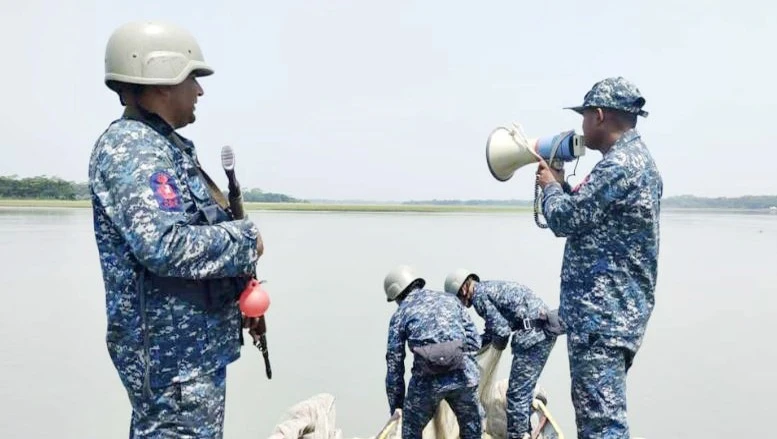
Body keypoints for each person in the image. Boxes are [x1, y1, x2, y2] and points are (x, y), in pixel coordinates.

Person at [88, 21, 265, 438]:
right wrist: (245, 240)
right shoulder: (133, 149)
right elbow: (163, 244)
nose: (199, 91)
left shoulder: (163, 146)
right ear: (163, 80)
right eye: (192, 79)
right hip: (174, 367)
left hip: (190, 359)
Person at [536, 76, 663, 439]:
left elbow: (566, 219)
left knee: (601, 424)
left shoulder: (619, 165)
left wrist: (548, 189)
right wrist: (560, 187)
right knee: (601, 416)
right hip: (616, 314)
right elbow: (590, 214)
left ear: (600, 116)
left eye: (585, 116)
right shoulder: (638, 161)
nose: (581, 125)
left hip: (601, 318)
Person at [444, 269, 564, 439]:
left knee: (517, 394)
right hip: (543, 330)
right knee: (524, 389)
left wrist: (471, 347)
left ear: (463, 289)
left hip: (532, 335)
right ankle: (525, 432)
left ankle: (519, 435)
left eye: (459, 299)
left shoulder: (479, 296)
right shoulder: (489, 288)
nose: (463, 304)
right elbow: (496, 329)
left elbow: (500, 331)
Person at [383, 265, 483, 439]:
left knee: (410, 430)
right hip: (463, 376)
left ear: (396, 294)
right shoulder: (451, 300)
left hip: (427, 383)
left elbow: (394, 367)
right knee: (473, 429)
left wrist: (397, 409)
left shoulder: (400, 315)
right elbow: (475, 341)